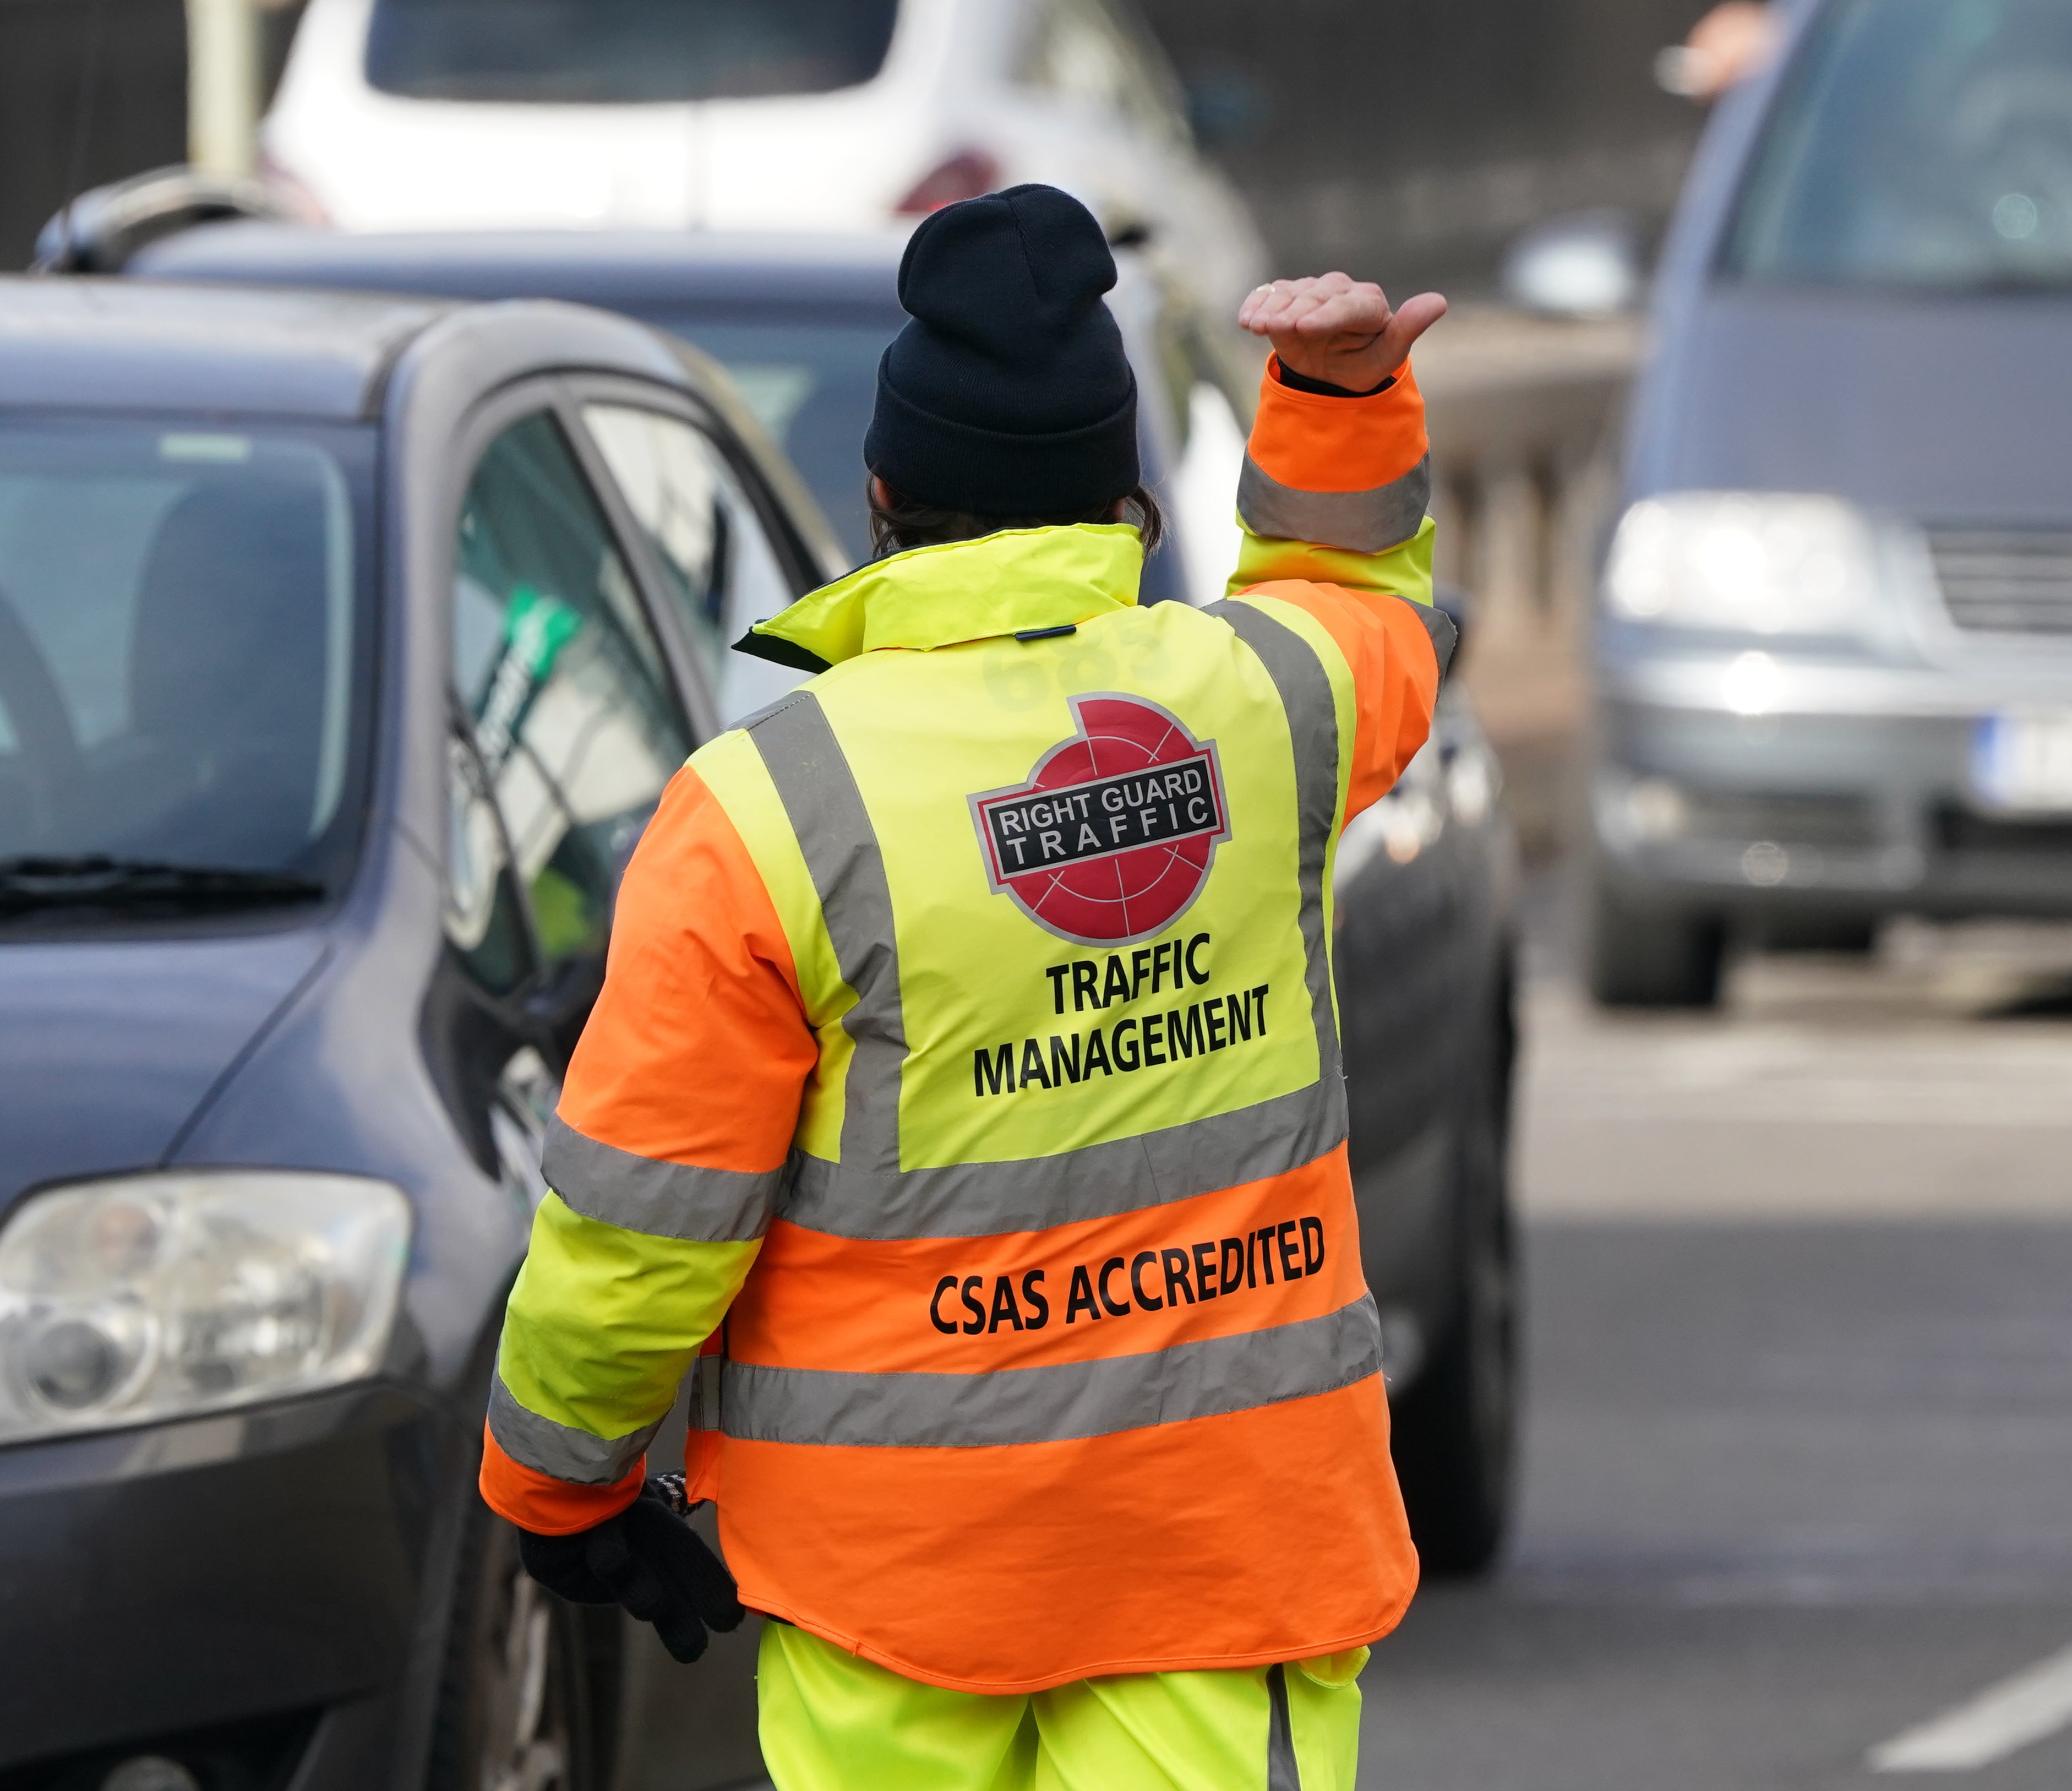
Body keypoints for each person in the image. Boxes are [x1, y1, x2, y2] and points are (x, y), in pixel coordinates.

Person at [477, 180, 1451, 1791]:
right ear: (1125, 500)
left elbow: (639, 1228)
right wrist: (1339, 402)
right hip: (1220, 1560)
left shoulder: (761, 814)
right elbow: (1371, 613)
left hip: (885, 1586)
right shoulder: (1273, 706)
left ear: (882, 497)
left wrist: (557, 1487)